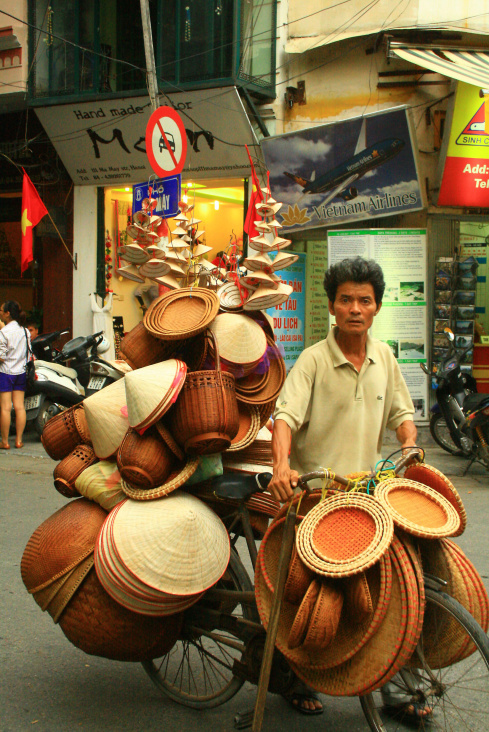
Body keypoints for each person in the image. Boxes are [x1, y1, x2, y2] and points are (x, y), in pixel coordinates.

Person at [269, 256, 418, 716]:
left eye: (365, 300)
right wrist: (281, 468)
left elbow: (402, 416)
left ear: (377, 307)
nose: (356, 308)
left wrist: (410, 445)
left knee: (397, 591)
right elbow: (284, 417)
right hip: (317, 496)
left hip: (369, 493)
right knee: (306, 594)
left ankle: (396, 689)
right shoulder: (313, 360)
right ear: (332, 307)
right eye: (346, 300)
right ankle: (290, 676)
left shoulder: (385, 357)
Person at [0, 301, 31, 449]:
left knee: (6, 408)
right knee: (19, 407)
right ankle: (19, 440)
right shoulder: (25, 331)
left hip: (6, 372)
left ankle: (5, 442)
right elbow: (29, 353)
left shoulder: (4, 332)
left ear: (7, 314)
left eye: (1, 310)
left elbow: (1, 356)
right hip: (21, 372)